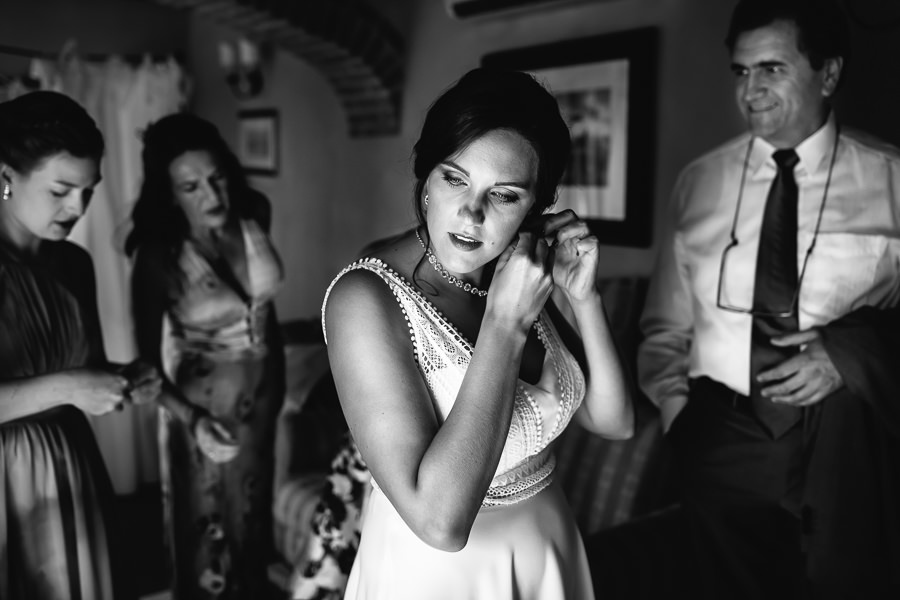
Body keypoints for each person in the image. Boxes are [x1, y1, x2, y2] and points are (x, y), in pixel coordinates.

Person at [322, 67, 634, 600]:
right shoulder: (366, 299)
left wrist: (583, 299)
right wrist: (504, 324)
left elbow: (614, 422)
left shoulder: (520, 268)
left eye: (505, 195)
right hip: (437, 578)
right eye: (454, 177)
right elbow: (439, 524)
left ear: (536, 205)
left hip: (546, 549)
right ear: (426, 176)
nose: (470, 213)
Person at [638, 0, 900, 598]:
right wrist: (683, 420)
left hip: (845, 445)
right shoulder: (698, 182)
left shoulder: (892, 179)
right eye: (741, 71)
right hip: (719, 439)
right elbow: (664, 327)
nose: (750, 90)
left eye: (772, 69)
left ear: (828, 74)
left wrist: (848, 355)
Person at [0, 90, 160, 599]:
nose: (79, 207)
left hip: (72, 469)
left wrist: (123, 379)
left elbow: (78, 366)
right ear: (5, 177)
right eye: (61, 189)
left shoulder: (75, 265)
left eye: (89, 190)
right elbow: (64, 380)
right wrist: (71, 385)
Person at [125, 113, 286, 599]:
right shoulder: (157, 256)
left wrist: (274, 386)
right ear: (169, 193)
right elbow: (147, 363)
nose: (212, 196)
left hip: (261, 398)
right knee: (207, 528)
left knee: (252, 521)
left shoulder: (254, 210)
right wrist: (190, 419)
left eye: (216, 178)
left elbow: (265, 310)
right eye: (191, 186)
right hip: (202, 403)